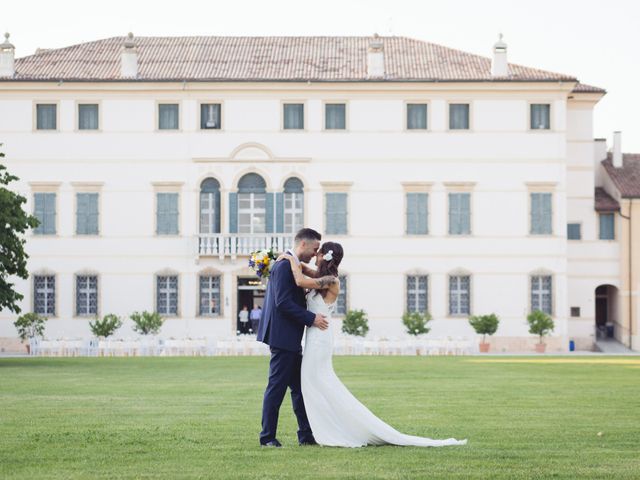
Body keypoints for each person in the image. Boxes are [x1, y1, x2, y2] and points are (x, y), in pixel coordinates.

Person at [278, 241, 468, 448]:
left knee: (319, 382)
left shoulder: (331, 280)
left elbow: (299, 280)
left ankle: (334, 428)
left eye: (318, 252)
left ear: (324, 256)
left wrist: (289, 258)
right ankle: (317, 429)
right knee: (312, 384)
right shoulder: (321, 276)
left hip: (320, 340)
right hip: (315, 336)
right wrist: (288, 258)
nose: (315, 255)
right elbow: (304, 269)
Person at [256, 228, 330, 447]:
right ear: (303, 245)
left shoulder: (290, 264)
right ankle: (267, 437)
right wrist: (311, 318)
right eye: (315, 249)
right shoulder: (283, 266)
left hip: (289, 337)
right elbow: (283, 303)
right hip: (283, 337)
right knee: (276, 388)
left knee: (299, 389)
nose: (315, 254)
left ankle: (305, 435)